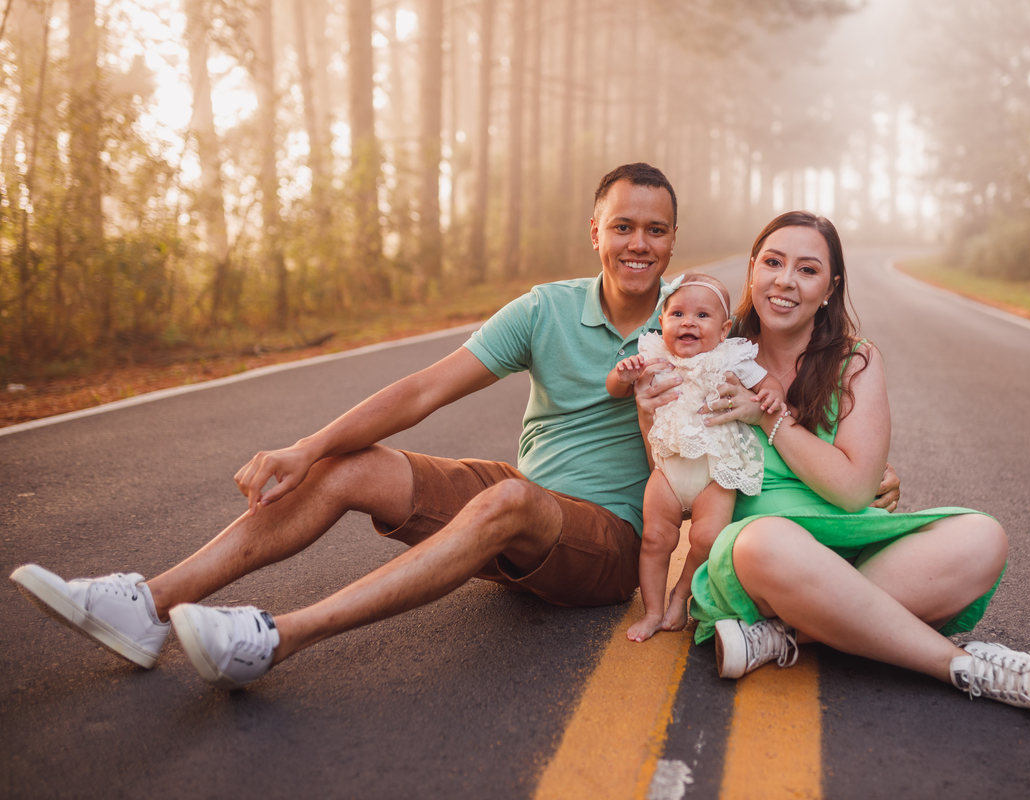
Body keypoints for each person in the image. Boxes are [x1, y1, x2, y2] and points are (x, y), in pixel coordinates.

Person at [8, 164, 899, 692]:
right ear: (594, 229)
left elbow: (787, 385)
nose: (640, 242)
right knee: (358, 464)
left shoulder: (700, 317)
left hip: (602, 536)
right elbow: (428, 385)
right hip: (515, 499)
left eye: (657, 231)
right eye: (623, 225)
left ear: (675, 244)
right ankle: (145, 602)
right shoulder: (543, 311)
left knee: (508, 498)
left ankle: (274, 637)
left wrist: (869, 486)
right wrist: (309, 446)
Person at [652, 211, 1030, 713]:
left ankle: (784, 636)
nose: (786, 280)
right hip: (764, 563)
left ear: (829, 288)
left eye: (807, 270)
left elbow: (854, 492)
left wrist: (770, 421)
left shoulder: (856, 361)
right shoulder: (712, 349)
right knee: (767, 540)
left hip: (850, 543)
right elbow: (670, 469)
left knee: (984, 537)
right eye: (773, 262)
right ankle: (958, 666)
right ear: (752, 271)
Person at [606, 273, 785, 642]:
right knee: (655, 539)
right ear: (662, 323)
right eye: (678, 314)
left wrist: (771, 396)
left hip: (715, 471)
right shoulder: (654, 357)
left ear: (723, 331)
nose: (688, 321)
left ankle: (681, 593)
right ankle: (653, 611)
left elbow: (768, 382)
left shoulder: (730, 359)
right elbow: (615, 388)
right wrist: (621, 376)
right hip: (667, 470)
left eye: (702, 316)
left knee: (707, 538)